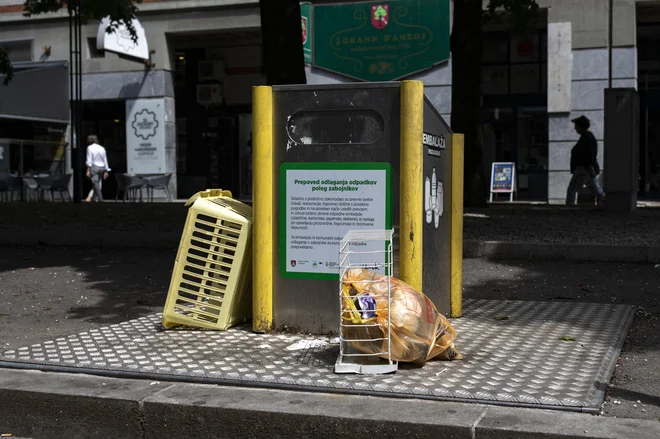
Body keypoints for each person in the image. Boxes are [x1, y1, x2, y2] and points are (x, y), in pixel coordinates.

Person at [566, 115, 605, 206]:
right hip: (585, 169)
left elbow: (588, 154)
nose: (575, 128)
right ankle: (608, 203)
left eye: (576, 126)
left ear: (580, 126)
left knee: (572, 189)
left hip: (584, 169)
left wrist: (590, 167)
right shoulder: (587, 137)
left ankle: (569, 207)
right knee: (595, 189)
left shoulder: (587, 138)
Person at [85, 135, 110, 202]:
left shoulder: (89, 148)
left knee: (95, 183)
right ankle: (93, 198)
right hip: (102, 167)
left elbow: (89, 160)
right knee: (98, 183)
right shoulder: (102, 148)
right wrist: (106, 170)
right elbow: (105, 160)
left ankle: (100, 199)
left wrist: (88, 170)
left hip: (95, 167)